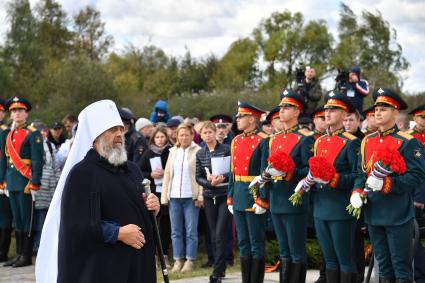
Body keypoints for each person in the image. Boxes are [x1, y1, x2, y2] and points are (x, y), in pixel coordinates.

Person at [38, 100, 160, 283]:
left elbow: (139, 209)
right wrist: (117, 233)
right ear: (96, 138)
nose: (119, 134)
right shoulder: (82, 174)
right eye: (112, 130)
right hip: (105, 268)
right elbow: (76, 225)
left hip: (137, 265)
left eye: (121, 129)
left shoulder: (132, 169)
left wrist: (154, 207)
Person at [351, 88, 425, 282]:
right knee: (383, 267)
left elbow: (416, 176)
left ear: (395, 111)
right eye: (376, 109)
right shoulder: (367, 141)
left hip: (398, 214)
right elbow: (361, 173)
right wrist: (357, 191)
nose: (377, 112)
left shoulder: (408, 142)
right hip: (374, 213)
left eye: (384, 109)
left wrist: (387, 184)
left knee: (401, 269)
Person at [259, 90, 315, 282]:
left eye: (287, 107)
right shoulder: (273, 139)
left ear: (297, 111)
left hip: (294, 199)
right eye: (281, 107)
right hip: (277, 199)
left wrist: (289, 173)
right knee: (284, 251)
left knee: (296, 251)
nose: (281, 111)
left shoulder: (306, 137)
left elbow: (310, 170)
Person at [309, 92, 360, 282]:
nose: (327, 114)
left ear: (344, 113)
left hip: (340, 208)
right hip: (321, 207)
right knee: (329, 260)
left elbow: (357, 176)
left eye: (333, 110)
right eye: (326, 109)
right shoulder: (320, 141)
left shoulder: (352, 142)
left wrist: (334, 179)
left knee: (344, 260)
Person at [0, 97, 43, 268]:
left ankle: (25, 255)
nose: (16, 113)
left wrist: (35, 182)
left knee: (27, 220)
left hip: (26, 182)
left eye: (20, 111)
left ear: (26, 114)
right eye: (13, 111)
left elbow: (38, 160)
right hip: (12, 182)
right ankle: (18, 254)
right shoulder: (10, 134)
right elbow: (5, 160)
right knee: (17, 220)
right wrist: (3, 180)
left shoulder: (33, 133)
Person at [227, 101, 268, 283]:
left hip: (254, 194)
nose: (237, 119)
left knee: (256, 243)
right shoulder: (236, 140)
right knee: (243, 243)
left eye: (241, 116)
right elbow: (232, 172)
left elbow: (265, 173)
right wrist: (230, 196)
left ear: (252, 119)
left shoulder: (263, 140)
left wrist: (262, 199)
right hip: (238, 194)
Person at [162, 123, 203, 273]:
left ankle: (190, 260)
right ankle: (178, 260)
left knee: (191, 231)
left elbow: (201, 175)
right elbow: (167, 174)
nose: (184, 137)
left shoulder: (198, 151)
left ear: (192, 135)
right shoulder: (173, 151)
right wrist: (164, 197)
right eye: (181, 135)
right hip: (174, 197)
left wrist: (200, 195)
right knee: (176, 231)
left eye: (187, 134)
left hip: (190, 197)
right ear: (177, 136)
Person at [195, 121, 231, 283]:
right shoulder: (200, 153)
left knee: (220, 234)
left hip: (224, 195)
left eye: (210, 132)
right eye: (204, 133)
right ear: (201, 135)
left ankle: (216, 272)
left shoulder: (225, 149)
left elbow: (234, 170)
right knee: (213, 233)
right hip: (210, 196)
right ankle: (221, 268)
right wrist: (208, 182)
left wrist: (224, 177)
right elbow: (198, 177)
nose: (208, 135)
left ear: (215, 133)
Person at [138, 127, 172, 267]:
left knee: (165, 225)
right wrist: (150, 175)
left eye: (162, 137)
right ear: (153, 139)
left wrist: (166, 172)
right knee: (153, 224)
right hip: (153, 193)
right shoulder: (148, 153)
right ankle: (153, 256)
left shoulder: (170, 152)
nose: (160, 140)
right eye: (157, 137)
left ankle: (164, 254)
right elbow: (140, 171)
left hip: (167, 191)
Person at [33, 123, 62, 255]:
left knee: (49, 220)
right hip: (39, 187)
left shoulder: (50, 146)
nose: (42, 133)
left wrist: (58, 184)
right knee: (39, 219)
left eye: (44, 131)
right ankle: (37, 247)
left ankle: (48, 247)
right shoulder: (33, 146)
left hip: (51, 188)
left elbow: (56, 166)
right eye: (40, 131)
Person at [408, 104, 425, 283]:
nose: (424, 121)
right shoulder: (410, 139)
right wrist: (419, 198)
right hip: (416, 198)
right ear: (414, 118)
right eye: (421, 117)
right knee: (414, 237)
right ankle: (420, 276)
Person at [0, 98, 12, 263]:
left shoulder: (5, 131)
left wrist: (3, 180)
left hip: (2, 180)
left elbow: (4, 158)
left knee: (4, 218)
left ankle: (2, 251)